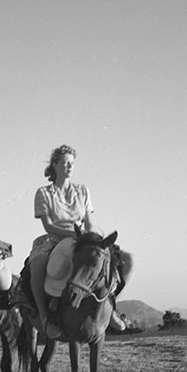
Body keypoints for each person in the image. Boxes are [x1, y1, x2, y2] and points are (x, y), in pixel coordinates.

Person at [29, 144, 126, 338]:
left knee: (125, 261)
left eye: (72, 163)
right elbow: (48, 226)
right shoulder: (43, 193)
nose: (70, 167)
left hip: (82, 239)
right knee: (38, 263)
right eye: (65, 163)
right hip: (54, 238)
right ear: (54, 165)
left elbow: (89, 223)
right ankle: (44, 316)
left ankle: (110, 305)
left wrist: (89, 238)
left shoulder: (82, 190)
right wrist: (73, 235)